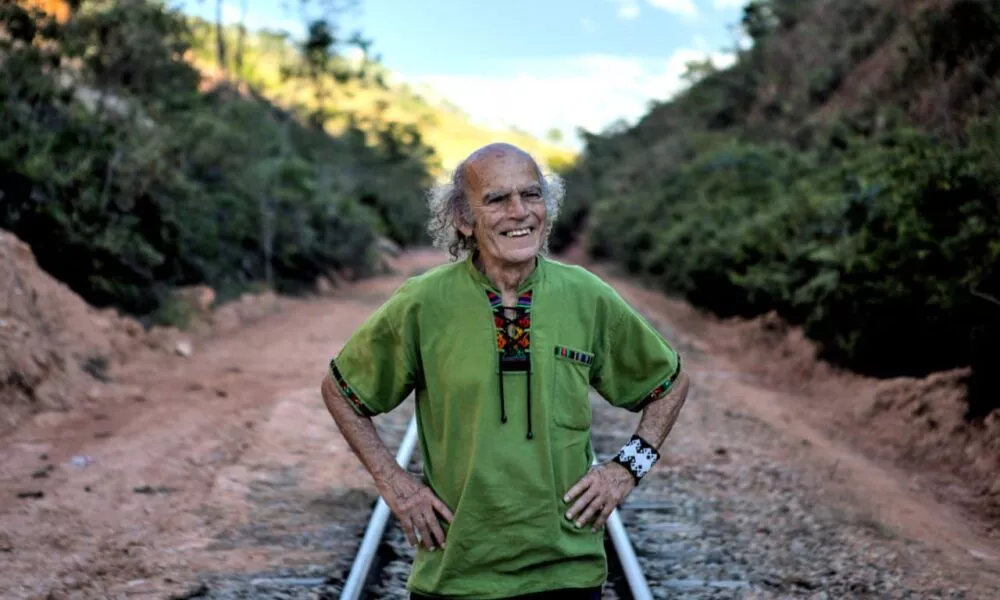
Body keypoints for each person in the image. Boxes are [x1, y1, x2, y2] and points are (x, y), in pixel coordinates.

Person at [321, 142, 689, 600]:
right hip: (455, 576)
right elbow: (341, 391)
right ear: (463, 219)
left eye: (531, 195)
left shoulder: (586, 295)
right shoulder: (422, 303)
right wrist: (395, 485)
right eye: (496, 199)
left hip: (567, 575)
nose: (520, 212)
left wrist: (626, 469)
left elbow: (668, 384)